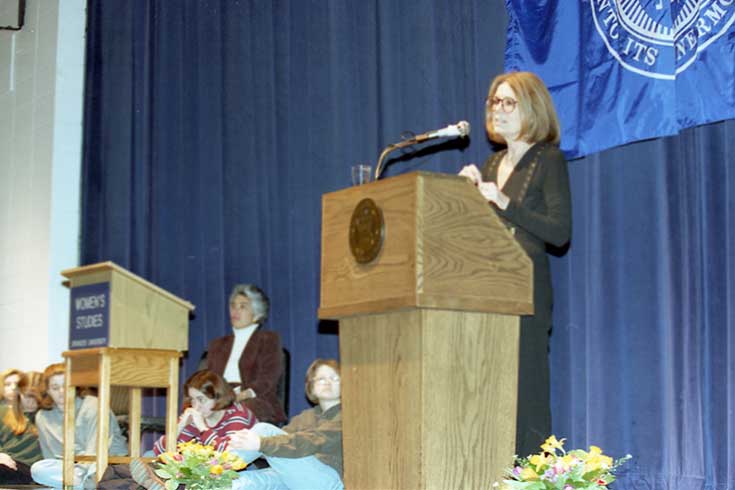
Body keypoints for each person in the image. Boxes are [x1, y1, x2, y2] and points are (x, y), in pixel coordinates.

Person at [459, 71, 572, 458]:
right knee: (491, 394)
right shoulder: (490, 166)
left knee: (527, 395)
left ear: (532, 108)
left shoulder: (548, 160)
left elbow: (559, 231)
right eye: (495, 102)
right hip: (489, 293)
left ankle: (534, 477)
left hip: (527, 293)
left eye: (510, 102)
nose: (500, 110)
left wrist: (504, 202)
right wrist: (467, 197)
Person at [227, 358, 343, 490]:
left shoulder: (348, 417)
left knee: (264, 430)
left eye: (334, 378)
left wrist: (261, 444)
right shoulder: (305, 417)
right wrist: (255, 445)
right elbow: (280, 445)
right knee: (239, 483)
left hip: (328, 483)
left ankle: (212, 468)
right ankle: (206, 478)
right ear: (311, 386)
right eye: (321, 379)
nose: (327, 383)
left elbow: (312, 441)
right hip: (297, 478)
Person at [30, 363, 128, 489]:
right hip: (71, 469)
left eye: (66, 386)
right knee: (38, 469)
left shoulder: (94, 405)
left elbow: (96, 451)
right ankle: (83, 485)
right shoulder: (43, 416)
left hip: (104, 461)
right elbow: (50, 455)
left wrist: (80, 472)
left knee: (94, 470)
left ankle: (78, 484)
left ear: (75, 386)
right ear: (47, 390)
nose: (62, 392)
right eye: (55, 387)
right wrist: (69, 473)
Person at [206, 284, 287, 424]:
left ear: (257, 314)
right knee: (192, 414)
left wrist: (239, 396)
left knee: (236, 412)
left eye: (242, 306)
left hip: (253, 400)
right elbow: (207, 380)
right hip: (220, 398)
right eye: (233, 305)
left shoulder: (268, 340)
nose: (235, 311)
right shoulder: (217, 345)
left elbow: (267, 380)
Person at [0, 370, 42, 484]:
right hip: (7, 462)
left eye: (36, 396)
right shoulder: (4, 412)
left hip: (28, 468)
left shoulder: (44, 417)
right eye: (27, 395)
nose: (31, 401)